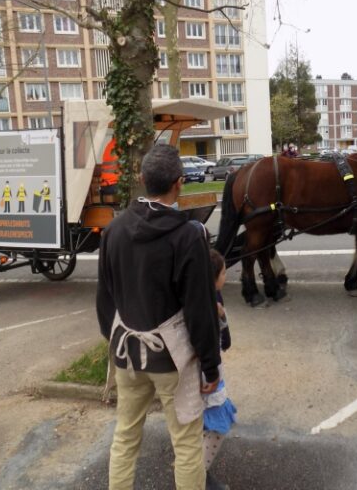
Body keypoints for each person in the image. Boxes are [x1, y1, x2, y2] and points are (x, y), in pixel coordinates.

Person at [96, 144, 221, 490]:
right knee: (185, 443)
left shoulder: (113, 231)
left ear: (141, 179)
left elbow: (105, 298)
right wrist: (210, 365)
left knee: (125, 436)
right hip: (173, 361)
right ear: (179, 183)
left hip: (127, 355)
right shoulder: (187, 236)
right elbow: (200, 308)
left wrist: (115, 339)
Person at [204, 249, 236, 490]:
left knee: (205, 423)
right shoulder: (211, 303)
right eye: (224, 272)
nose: (226, 275)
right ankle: (198, 473)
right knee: (216, 426)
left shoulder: (205, 297)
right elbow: (223, 341)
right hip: (208, 375)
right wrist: (222, 318)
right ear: (214, 277)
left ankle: (196, 469)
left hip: (207, 371)